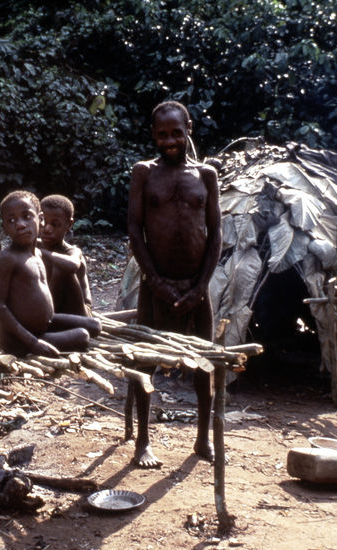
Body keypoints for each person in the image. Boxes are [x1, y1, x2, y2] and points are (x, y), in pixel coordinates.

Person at [126, 100, 222, 468]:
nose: (169, 140)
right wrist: (156, 281)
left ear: (189, 130)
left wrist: (200, 287)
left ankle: (201, 440)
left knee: (203, 364)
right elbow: (135, 230)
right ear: (153, 135)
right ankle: (144, 443)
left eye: (176, 133)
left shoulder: (206, 175)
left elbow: (215, 235)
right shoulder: (143, 173)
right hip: (156, 286)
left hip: (197, 286)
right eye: (162, 134)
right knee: (146, 361)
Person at [0, 190, 101, 358]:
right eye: (11, 220)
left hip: (45, 323)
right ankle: (34, 341)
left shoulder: (38, 253)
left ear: (40, 219)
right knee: (83, 336)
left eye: (26, 216)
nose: (20, 224)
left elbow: (71, 263)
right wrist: (33, 343)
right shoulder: (8, 258)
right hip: (20, 340)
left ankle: (44, 333)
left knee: (95, 325)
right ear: (5, 228)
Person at [38, 194, 93, 317]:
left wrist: (41, 253)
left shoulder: (72, 251)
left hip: (79, 313)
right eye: (43, 221)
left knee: (62, 267)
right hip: (47, 308)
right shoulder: (34, 245)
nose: (47, 229)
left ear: (69, 224)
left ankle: (46, 316)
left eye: (55, 224)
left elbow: (72, 264)